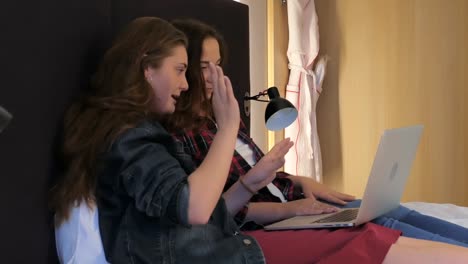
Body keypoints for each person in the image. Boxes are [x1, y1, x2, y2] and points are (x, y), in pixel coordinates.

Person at [49, 16, 468, 264]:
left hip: (221, 239)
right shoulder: (134, 138)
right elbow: (195, 209)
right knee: (368, 236)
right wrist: (229, 129)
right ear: (145, 69)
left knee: (380, 219)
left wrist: (267, 180)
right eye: (185, 69)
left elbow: (212, 211)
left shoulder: (146, 135)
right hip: (214, 250)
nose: (193, 80)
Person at [167, 18, 468, 247]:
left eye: (218, 65)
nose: (216, 76)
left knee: (395, 212)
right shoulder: (179, 135)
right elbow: (222, 209)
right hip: (273, 220)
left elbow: (261, 176)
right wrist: (293, 210)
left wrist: (302, 182)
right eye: (205, 66)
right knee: (384, 224)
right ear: (181, 68)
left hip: (292, 199)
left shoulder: (221, 114)